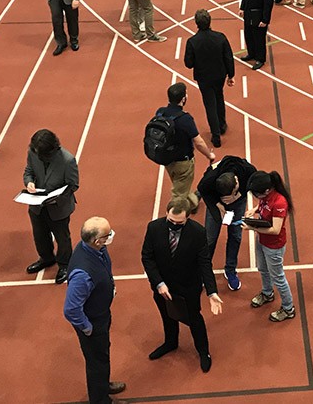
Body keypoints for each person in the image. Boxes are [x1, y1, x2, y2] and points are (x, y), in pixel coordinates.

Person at [141, 196, 224, 372]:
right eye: (171, 221)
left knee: (194, 319)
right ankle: (171, 342)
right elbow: (147, 257)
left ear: (188, 217)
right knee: (167, 315)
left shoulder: (198, 232)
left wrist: (212, 292)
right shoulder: (154, 228)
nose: (174, 225)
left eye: (179, 223)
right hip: (162, 286)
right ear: (166, 213)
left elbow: (204, 263)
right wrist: (159, 283)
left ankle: (203, 351)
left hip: (188, 287)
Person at [64, 217, 126, 404]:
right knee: (97, 362)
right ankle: (100, 399)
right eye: (108, 234)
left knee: (102, 355)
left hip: (101, 314)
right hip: (93, 322)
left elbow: (105, 269)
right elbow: (71, 309)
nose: (111, 236)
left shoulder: (96, 249)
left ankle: (103, 384)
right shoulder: (82, 275)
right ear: (97, 240)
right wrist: (87, 328)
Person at [23, 129, 79, 285]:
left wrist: (57, 198)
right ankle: (46, 258)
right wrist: (29, 182)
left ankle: (65, 264)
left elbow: (73, 185)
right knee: (39, 234)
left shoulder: (68, 160)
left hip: (58, 207)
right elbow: (29, 171)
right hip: (37, 204)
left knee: (62, 238)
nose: (38, 156)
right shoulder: (33, 152)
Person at [242, 171, 296, 322]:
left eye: (256, 194)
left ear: (266, 190)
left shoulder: (279, 203)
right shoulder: (265, 196)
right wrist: (255, 210)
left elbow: (275, 230)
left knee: (278, 277)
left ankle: (288, 308)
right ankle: (267, 293)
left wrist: (251, 228)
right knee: (263, 269)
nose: (255, 197)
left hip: (274, 246)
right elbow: (262, 205)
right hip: (262, 240)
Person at [197, 156, 257, 291]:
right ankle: (203, 273)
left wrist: (237, 195)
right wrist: (219, 204)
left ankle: (230, 269)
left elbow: (254, 183)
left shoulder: (248, 170)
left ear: (237, 181)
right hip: (216, 204)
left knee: (236, 235)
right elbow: (203, 190)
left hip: (239, 202)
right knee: (209, 238)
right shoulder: (210, 179)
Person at [157, 82, 217, 208]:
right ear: (183, 99)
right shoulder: (185, 119)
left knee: (180, 183)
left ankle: (192, 203)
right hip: (183, 161)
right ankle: (176, 214)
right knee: (178, 194)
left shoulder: (160, 112)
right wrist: (209, 155)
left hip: (167, 159)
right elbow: (199, 142)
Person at [184, 9, 235, 147]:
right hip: (219, 75)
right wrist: (231, 75)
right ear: (210, 21)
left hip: (203, 77)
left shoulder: (192, 42)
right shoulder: (220, 37)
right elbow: (228, 57)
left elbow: (188, 63)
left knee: (209, 104)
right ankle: (222, 125)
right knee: (219, 97)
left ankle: (216, 135)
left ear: (196, 23)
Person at [239, 0, 273, 70]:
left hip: (258, 16)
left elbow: (268, 5)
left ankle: (260, 59)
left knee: (259, 39)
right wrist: (242, 8)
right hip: (248, 14)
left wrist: (265, 20)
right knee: (248, 35)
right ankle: (251, 53)